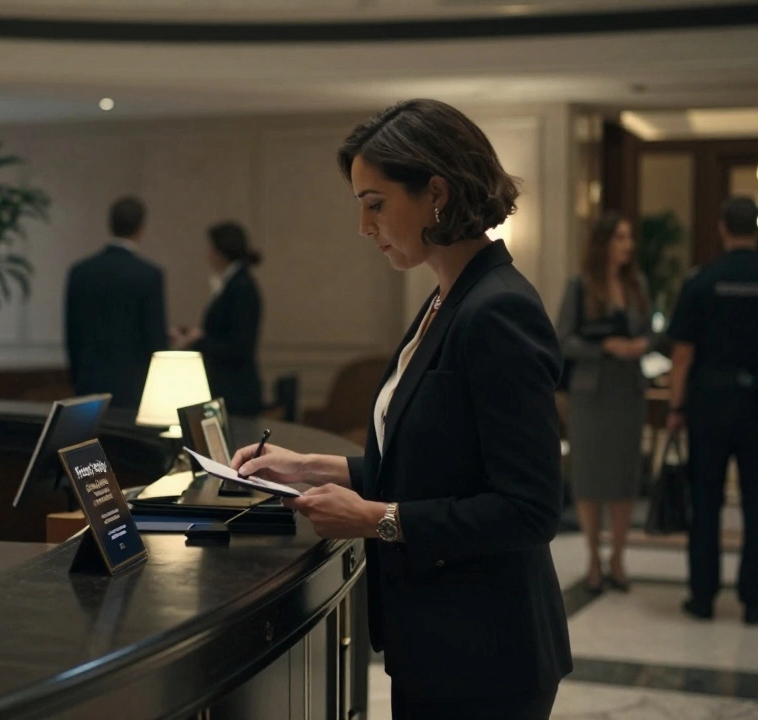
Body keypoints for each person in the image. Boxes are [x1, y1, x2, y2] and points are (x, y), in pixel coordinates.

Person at [232, 99, 571, 720]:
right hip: (440, 644)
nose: (365, 226)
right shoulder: (445, 301)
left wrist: (375, 520)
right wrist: (312, 466)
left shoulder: (497, 309)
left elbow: (529, 509)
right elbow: (437, 465)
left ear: (436, 193)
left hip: (489, 654)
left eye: (376, 203)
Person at [666, 196, 758, 625]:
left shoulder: (702, 281)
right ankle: (755, 601)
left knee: (705, 502)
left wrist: (675, 407)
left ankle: (703, 597)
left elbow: (683, 355)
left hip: (708, 406)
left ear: (723, 228)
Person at [556, 212, 655, 594]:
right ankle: (594, 557)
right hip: (591, 393)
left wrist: (641, 345)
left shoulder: (637, 284)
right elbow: (562, 339)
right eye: (620, 238)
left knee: (623, 476)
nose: (628, 245)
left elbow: (649, 331)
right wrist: (604, 347)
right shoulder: (580, 286)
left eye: (629, 237)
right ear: (603, 243)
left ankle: (617, 556)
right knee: (591, 476)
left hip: (628, 389)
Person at [64, 196, 169, 409]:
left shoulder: (81, 272)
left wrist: (77, 377)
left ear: (109, 224)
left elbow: (72, 333)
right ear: (141, 228)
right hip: (134, 385)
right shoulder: (148, 275)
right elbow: (155, 339)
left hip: (88, 381)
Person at [172, 221, 264, 416]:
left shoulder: (241, 287)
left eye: (210, 249)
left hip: (236, 391)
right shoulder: (235, 283)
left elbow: (239, 346)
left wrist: (199, 340)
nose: (207, 255)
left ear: (220, 252)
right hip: (230, 388)